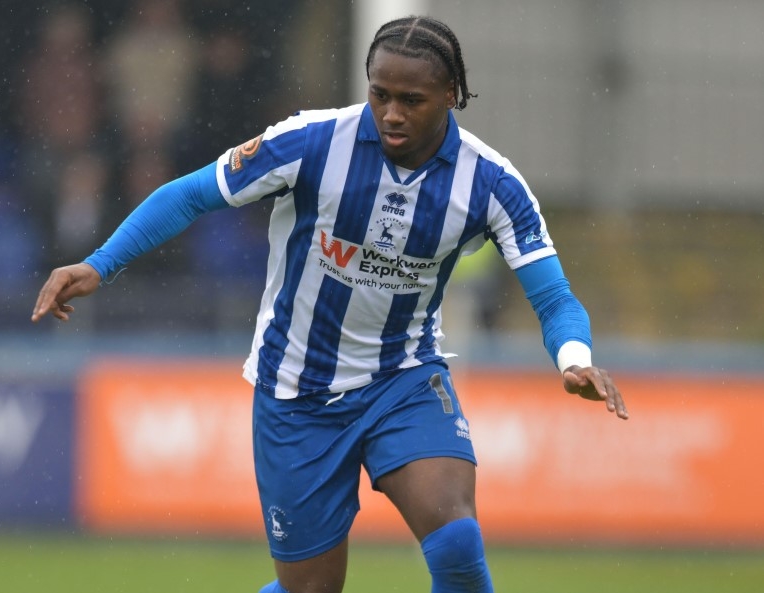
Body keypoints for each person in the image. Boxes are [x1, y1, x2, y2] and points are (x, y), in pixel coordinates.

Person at [32, 15, 628, 593]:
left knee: (456, 543)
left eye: (412, 100)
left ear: (451, 94)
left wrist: (573, 358)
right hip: (296, 392)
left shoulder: (492, 183)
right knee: (311, 590)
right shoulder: (311, 141)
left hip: (404, 380)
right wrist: (99, 263)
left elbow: (552, 295)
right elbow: (192, 195)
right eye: (380, 94)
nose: (392, 113)